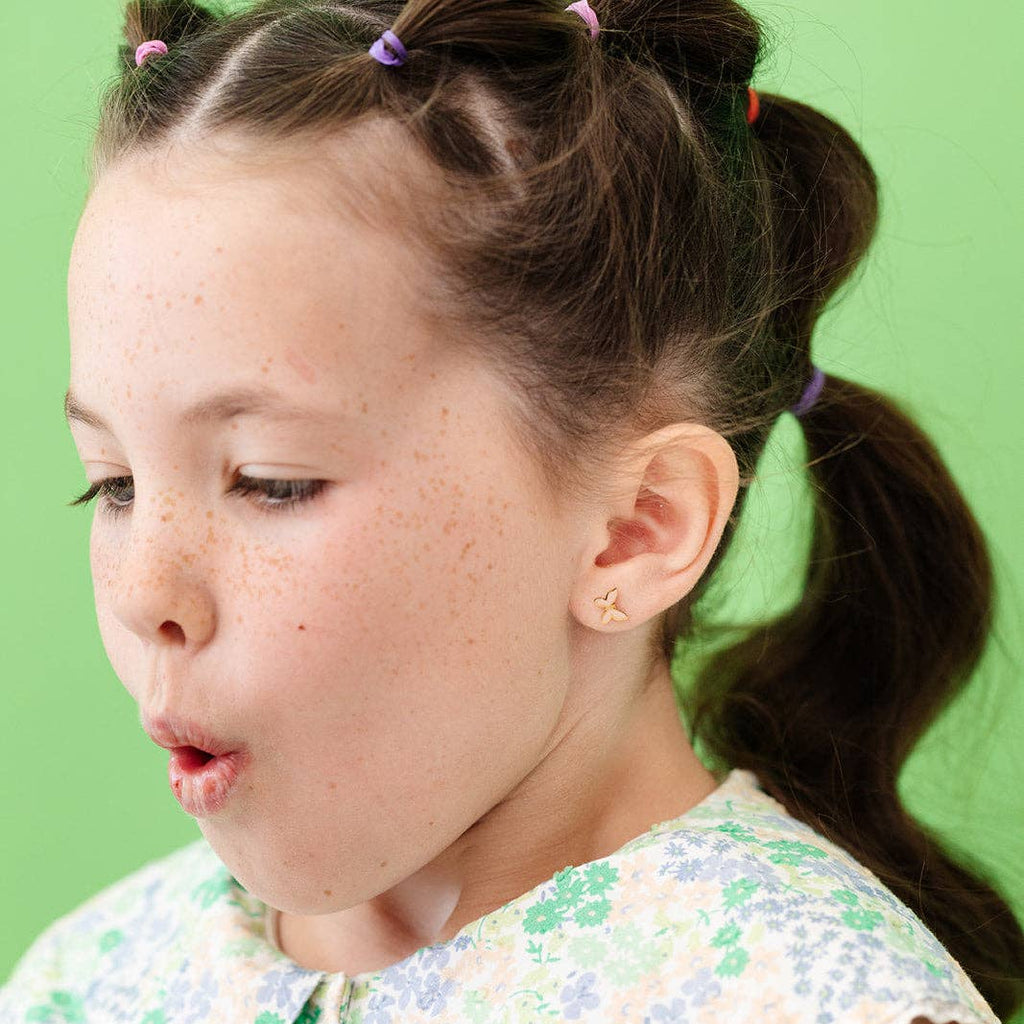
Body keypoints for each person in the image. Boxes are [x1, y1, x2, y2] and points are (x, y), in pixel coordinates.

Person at [3, 0, 1021, 1021]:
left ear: (635, 529)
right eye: (115, 482)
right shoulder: (87, 981)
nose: (144, 594)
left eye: (272, 480)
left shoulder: (814, 1000)